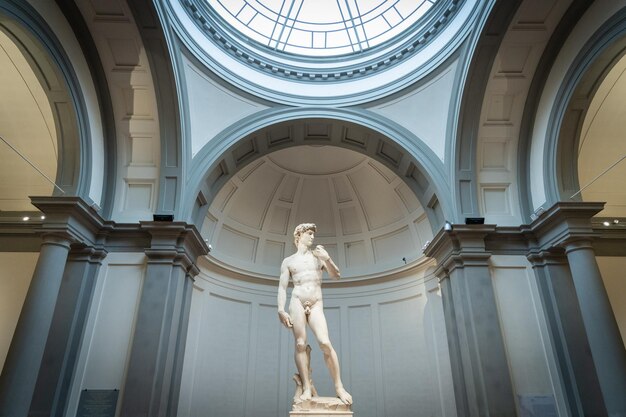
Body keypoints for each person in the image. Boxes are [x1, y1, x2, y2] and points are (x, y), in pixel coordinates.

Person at [277, 223, 352, 405]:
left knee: (325, 343)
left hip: (316, 302)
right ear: (299, 235)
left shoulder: (318, 256)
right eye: (309, 233)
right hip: (297, 301)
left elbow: (336, 275)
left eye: (313, 234)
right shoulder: (289, 261)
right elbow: (282, 286)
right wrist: (281, 309)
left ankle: (339, 386)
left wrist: (327, 259)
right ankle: (307, 388)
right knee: (300, 344)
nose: (312, 237)